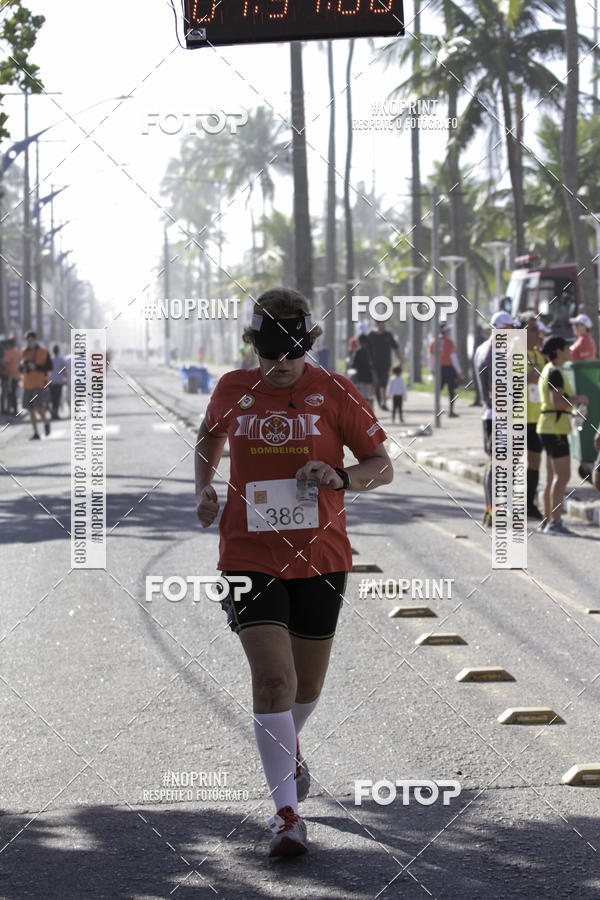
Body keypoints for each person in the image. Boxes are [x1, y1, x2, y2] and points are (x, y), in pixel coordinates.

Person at [195, 287, 393, 858]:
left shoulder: (335, 392)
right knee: (274, 682)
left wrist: (340, 475)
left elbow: (384, 467)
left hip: (322, 558)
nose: (279, 366)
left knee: (306, 688)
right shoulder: (234, 388)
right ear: (252, 344)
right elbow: (209, 435)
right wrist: (204, 488)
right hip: (246, 557)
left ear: (308, 343)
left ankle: (289, 742)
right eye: (267, 352)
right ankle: (286, 814)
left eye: (291, 352)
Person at [537, 335, 588, 535]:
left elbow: (556, 403)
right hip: (554, 429)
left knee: (552, 477)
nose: (570, 350)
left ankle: (548, 519)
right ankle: (555, 523)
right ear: (558, 350)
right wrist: (579, 399)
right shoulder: (555, 372)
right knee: (563, 475)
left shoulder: (550, 370)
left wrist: (573, 412)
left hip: (550, 426)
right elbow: (558, 402)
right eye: (567, 347)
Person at [473, 310, 519, 526]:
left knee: (492, 462)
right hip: (498, 414)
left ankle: (490, 508)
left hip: (488, 412)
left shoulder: (481, 349)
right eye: (510, 329)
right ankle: (494, 509)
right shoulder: (497, 352)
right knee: (496, 463)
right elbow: (496, 389)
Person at [519, 314, 546, 520]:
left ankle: (529, 504)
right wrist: (526, 378)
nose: (539, 333)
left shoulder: (540, 355)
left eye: (538, 329)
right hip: (518, 417)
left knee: (535, 461)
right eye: (534, 330)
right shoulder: (515, 354)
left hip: (537, 418)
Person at [19, 330, 52, 440]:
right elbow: (19, 369)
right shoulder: (23, 352)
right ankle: (36, 433)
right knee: (30, 409)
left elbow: (49, 367)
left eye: (32, 340)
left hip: (38, 384)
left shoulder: (44, 351)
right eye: (28, 341)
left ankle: (46, 422)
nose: (30, 342)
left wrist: (36, 367)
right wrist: (23, 365)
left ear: (35, 340)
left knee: (38, 407)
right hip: (27, 384)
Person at [428, 323, 463, 418]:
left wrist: (432, 369)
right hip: (449, 369)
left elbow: (430, 357)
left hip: (439, 369)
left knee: (438, 391)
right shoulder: (449, 342)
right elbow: (454, 358)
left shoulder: (433, 341)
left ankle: (437, 410)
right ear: (444, 331)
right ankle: (451, 411)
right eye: (448, 330)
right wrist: (459, 372)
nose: (449, 332)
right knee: (451, 391)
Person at [366, 321, 401, 411]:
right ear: (377, 324)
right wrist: (368, 362)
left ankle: (383, 402)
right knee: (375, 384)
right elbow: (366, 350)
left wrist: (400, 359)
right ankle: (369, 403)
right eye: (381, 323)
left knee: (383, 383)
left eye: (384, 323)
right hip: (374, 365)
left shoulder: (388, 335)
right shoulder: (371, 335)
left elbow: (395, 347)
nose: (383, 325)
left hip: (386, 364)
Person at [350, 333, 376, 401]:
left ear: (358, 341)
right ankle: (367, 409)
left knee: (361, 396)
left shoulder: (357, 351)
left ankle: (362, 410)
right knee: (367, 395)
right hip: (368, 377)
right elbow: (372, 364)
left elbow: (353, 365)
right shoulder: (369, 351)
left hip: (360, 377)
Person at [2, 336, 20, 416]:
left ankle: (10, 410)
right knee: (13, 393)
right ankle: (15, 409)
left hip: (10, 375)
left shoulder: (8, 353)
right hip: (16, 375)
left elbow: (4, 364)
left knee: (9, 393)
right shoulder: (16, 351)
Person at [49, 344, 67, 420]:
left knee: (52, 398)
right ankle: (55, 412)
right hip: (59, 381)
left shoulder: (50, 359)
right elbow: (64, 370)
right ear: (58, 351)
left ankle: (53, 412)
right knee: (57, 397)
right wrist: (65, 378)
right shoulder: (61, 359)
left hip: (51, 380)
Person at [470, 324, 485, 406]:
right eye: (476, 332)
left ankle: (483, 399)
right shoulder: (475, 340)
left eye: (479, 332)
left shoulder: (484, 340)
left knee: (482, 383)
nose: (478, 334)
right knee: (476, 383)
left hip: (482, 365)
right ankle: (477, 400)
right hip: (475, 365)